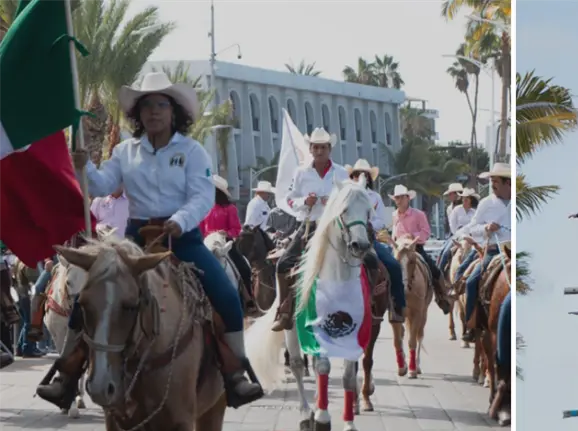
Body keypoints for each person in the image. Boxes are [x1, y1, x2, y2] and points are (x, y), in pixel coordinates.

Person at [40, 71, 263, 410]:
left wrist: (179, 220)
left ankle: (235, 374)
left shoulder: (193, 151)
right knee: (92, 295)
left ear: (174, 112)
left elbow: (202, 197)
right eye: (147, 106)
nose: (154, 112)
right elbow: (101, 186)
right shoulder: (125, 152)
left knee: (227, 296)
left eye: (161, 105)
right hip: (134, 239)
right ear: (138, 114)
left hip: (182, 238)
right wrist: (81, 166)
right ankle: (67, 374)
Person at [271, 127, 348, 332]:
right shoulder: (301, 173)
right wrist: (305, 200)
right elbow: (289, 199)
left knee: (364, 258)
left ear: (329, 149)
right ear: (311, 149)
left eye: (323, 147)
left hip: (334, 227)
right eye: (316, 147)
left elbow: (348, 199)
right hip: (308, 226)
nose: (320, 151)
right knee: (283, 264)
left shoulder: (340, 173)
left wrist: (332, 201)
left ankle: (362, 304)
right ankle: (285, 310)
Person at [348, 160, 406, 322]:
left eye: (364, 174)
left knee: (394, 265)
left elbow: (381, 220)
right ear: (351, 177)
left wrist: (368, 224)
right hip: (348, 240)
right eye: (357, 174)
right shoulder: (345, 194)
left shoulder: (375, 197)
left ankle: (397, 305)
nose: (361, 177)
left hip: (369, 240)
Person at [460, 163, 512, 342]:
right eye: (491, 181)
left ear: (508, 183)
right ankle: (471, 325)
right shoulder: (486, 203)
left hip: (515, 250)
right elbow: (472, 228)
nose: (492, 184)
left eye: (496, 181)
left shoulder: (517, 201)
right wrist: (486, 228)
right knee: (472, 281)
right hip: (494, 249)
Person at [200, 176, 254, 310]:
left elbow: (236, 229)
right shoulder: (203, 208)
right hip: (207, 243)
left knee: (243, 268)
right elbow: (200, 228)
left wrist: (226, 233)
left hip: (225, 242)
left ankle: (248, 298)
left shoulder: (230, 208)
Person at [390, 184, 448, 307]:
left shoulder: (418, 214)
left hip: (415, 248)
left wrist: (412, 236)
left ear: (408, 198)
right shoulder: (394, 215)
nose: (399, 201)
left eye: (401, 197)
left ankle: (442, 296)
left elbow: (426, 231)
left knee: (434, 269)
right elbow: (395, 233)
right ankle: (387, 299)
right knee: (386, 269)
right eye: (397, 198)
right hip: (399, 249)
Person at [438, 188, 478, 275]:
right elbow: (452, 226)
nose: (465, 200)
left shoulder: (474, 212)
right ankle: (439, 275)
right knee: (445, 253)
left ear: (471, 200)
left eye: (467, 199)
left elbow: (476, 226)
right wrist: (461, 235)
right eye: (463, 198)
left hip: (471, 237)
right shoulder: (456, 210)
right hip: (457, 236)